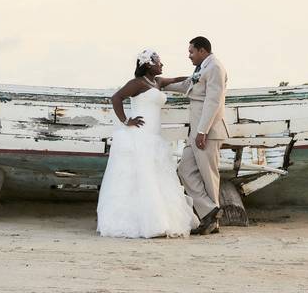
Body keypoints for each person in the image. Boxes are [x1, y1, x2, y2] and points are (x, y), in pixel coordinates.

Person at [96, 49, 200, 238]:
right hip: (139, 136)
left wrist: (198, 75)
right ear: (147, 64)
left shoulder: (157, 82)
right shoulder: (137, 83)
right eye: (158, 62)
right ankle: (146, 223)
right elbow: (116, 98)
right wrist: (126, 121)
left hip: (154, 138)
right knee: (140, 179)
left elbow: (176, 79)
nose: (162, 65)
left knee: (155, 178)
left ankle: (160, 220)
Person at [162, 36, 229, 235]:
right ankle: (210, 211)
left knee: (209, 177)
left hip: (207, 132)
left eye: (191, 51)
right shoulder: (202, 69)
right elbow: (187, 87)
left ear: (202, 50)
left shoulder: (215, 67)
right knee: (185, 170)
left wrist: (203, 131)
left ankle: (211, 222)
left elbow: (213, 102)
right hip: (196, 132)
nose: (189, 55)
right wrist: (163, 84)